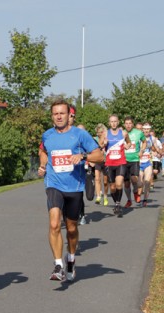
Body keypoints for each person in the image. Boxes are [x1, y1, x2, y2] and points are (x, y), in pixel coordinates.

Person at [38, 100, 103, 282]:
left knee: (72, 229)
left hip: (74, 186)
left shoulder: (80, 135)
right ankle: (58, 264)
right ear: (52, 116)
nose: (58, 116)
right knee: (54, 224)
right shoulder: (47, 135)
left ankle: (71, 258)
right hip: (53, 184)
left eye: (62, 113)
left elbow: (100, 155)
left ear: (69, 115)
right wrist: (43, 164)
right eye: (55, 114)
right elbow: (43, 151)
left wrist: (83, 156)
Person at [105, 114, 130, 216]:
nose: (113, 123)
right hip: (109, 163)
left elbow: (129, 142)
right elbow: (101, 145)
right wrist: (104, 143)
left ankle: (118, 205)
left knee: (119, 183)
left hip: (121, 162)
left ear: (118, 122)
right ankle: (116, 203)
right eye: (112, 121)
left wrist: (127, 146)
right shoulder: (106, 133)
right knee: (112, 187)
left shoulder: (123, 133)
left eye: (115, 121)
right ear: (109, 123)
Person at [122, 116, 146, 207]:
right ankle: (129, 200)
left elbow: (144, 142)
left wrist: (141, 151)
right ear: (124, 124)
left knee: (134, 179)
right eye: (126, 123)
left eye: (130, 123)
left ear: (133, 124)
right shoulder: (121, 133)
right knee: (127, 183)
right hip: (124, 160)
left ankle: (136, 193)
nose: (128, 125)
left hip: (135, 159)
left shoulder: (139, 133)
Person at [138, 123, 155, 206]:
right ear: (142, 130)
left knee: (147, 182)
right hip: (139, 163)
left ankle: (145, 200)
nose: (146, 131)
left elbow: (156, 147)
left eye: (148, 129)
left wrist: (159, 153)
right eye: (145, 129)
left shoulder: (152, 138)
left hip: (148, 162)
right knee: (140, 184)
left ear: (150, 130)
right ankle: (138, 194)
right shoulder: (138, 139)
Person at [93, 123, 108, 206]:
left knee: (105, 181)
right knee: (97, 179)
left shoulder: (107, 139)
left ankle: (105, 196)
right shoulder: (94, 139)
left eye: (102, 132)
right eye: (98, 132)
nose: (100, 133)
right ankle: (98, 196)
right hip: (98, 161)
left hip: (106, 161)